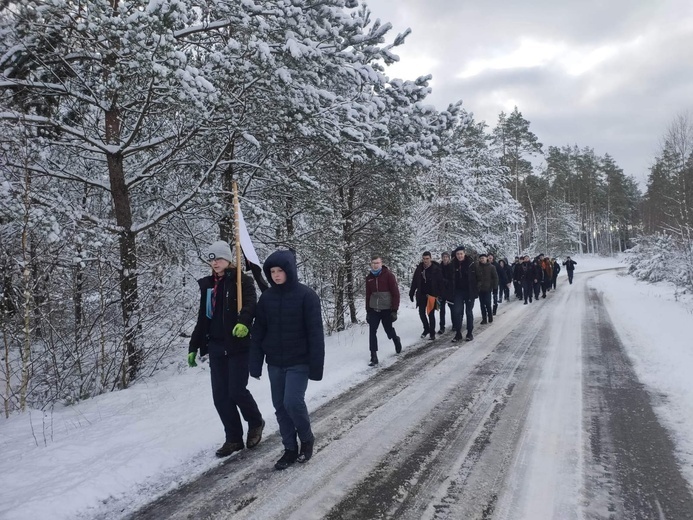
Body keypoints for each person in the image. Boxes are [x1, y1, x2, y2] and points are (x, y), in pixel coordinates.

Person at [188, 240, 265, 458]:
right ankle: (233, 438)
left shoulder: (242, 281)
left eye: (220, 258)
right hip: (215, 345)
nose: (215, 262)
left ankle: (256, 422)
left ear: (229, 260)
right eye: (212, 259)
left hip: (238, 344)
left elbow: (251, 304)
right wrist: (194, 345)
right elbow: (203, 318)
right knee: (220, 396)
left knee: (237, 390)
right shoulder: (208, 286)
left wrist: (244, 322)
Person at [250, 249, 325, 470]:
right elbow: (259, 331)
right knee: (280, 407)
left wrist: (316, 366)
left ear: (289, 271)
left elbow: (315, 333)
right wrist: (255, 362)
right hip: (275, 362)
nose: (276, 275)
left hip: (299, 361)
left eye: (280, 270)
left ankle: (307, 438)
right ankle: (290, 449)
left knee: (292, 402)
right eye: (272, 271)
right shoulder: (267, 298)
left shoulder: (306, 296)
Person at [365, 255, 402, 366]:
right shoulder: (369, 278)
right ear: (371, 264)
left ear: (381, 263)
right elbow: (368, 295)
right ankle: (373, 356)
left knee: (388, 330)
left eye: (377, 263)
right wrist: (367, 310)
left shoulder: (389, 276)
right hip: (374, 309)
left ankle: (395, 339)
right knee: (372, 331)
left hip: (386, 309)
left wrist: (394, 310)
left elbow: (395, 293)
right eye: (373, 263)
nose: (375, 265)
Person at [408, 251, 443, 341]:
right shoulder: (419, 268)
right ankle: (426, 328)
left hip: (432, 295)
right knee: (421, 313)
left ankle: (432, 332)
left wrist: (440, 294)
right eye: (424, 259)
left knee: (431, 314)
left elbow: (440, 282)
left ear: (430, 258)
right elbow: (415, 281)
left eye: (427, 259)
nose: (425, 261)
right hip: (422, 294)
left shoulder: (436, 269)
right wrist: (411, 292)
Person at [450, 246, 477, 342]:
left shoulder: (471, 263)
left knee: (469, 312)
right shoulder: (453, 264)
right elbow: (450, 279)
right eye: (457, 254)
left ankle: (469, 333)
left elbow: (477, 278)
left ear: (464, 253)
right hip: (458, 291)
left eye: (461, 254)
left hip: (469, 291)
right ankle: (458, 333)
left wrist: (475, 291)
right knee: (457, 312)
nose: (459, 256)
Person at [476, 253, 498, 324]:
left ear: (486, 258)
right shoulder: (477, 267)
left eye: (483, 258)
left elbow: (495, 277)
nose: (482, 259)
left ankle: (490, 316)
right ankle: (484, 318)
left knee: (488, 303)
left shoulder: (491, 267)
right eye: (481, 258)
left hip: (488, 288)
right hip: (480, 289)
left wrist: (494, 287)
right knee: (482, 304)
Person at [438, 252, 454, 334]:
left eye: (446, 257)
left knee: (452, 308)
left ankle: (454, 324)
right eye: (443, 257)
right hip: (441, 291)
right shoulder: (439, 267)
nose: (445, 258)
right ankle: (442, 327)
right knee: (442, 310)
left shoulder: (451, 267)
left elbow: (453, 279)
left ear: (449, 258)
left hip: (450, 291)